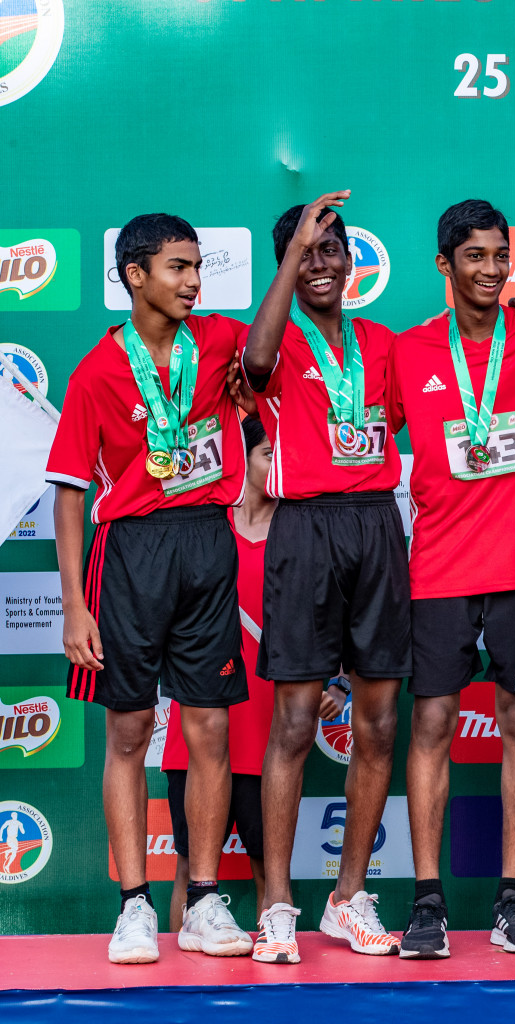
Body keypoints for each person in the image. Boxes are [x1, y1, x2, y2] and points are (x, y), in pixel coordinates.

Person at [46, 213, 250, 963]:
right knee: (129, 734)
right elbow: (69, 495)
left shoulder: (222, 342)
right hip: (128, 555)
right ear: (135, 275)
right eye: (177, 268)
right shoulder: (97, 373)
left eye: (198, 267)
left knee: (210, 732)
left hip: (206, 541)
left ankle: (201, 902)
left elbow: (274, 346)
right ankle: (133, 906)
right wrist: (74, 605)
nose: (193, 281)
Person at [241, 192, 408, 962]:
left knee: (375, 724)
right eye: (305, 252)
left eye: (331, 250)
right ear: (283, 264)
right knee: (296, 724)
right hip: (305, 532)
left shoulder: (384, 342)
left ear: (351, 260)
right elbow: (255, 362)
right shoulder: (276, 337)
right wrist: (289, 257)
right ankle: (278, 902)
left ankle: (347, 897)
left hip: (376, 526)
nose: (321, 264)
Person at [391, 200, 515, 959]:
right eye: (476, 257)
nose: (491, 270)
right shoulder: (405, 351)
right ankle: (426, 902)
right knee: (428, 729)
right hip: (436, 570)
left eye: (501, 255)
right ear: (444, 265)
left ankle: (512, 898)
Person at [159, 417, 319, 935]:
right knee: (188, 865)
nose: (278, 464)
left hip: (270, 729)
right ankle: (178, 979)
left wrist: (335, 681)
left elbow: (327, 616)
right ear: (242, 458)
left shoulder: (301, 532)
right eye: (268, 452)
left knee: (269, 871)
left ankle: (274, 955)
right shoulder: (206, 526)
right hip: (202, 722)